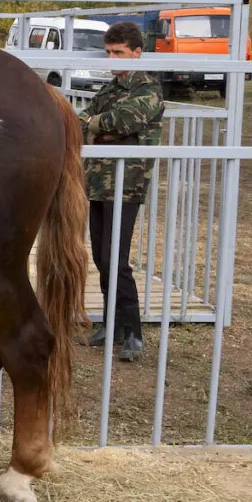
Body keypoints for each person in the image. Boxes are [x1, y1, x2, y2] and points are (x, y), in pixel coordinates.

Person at [77, 21, 165, 362]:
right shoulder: (110, 89)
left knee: (117, 259)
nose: (112, 58)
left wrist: (100, 128)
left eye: (119, 52)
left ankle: (133, 333)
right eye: (109, 52)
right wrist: (102, 130)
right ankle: (112, 326)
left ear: (137, 53)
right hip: (99, 183)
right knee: (101, 257)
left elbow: (125, 121)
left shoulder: (148, 88)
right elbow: (89, 119)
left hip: (127, 185)